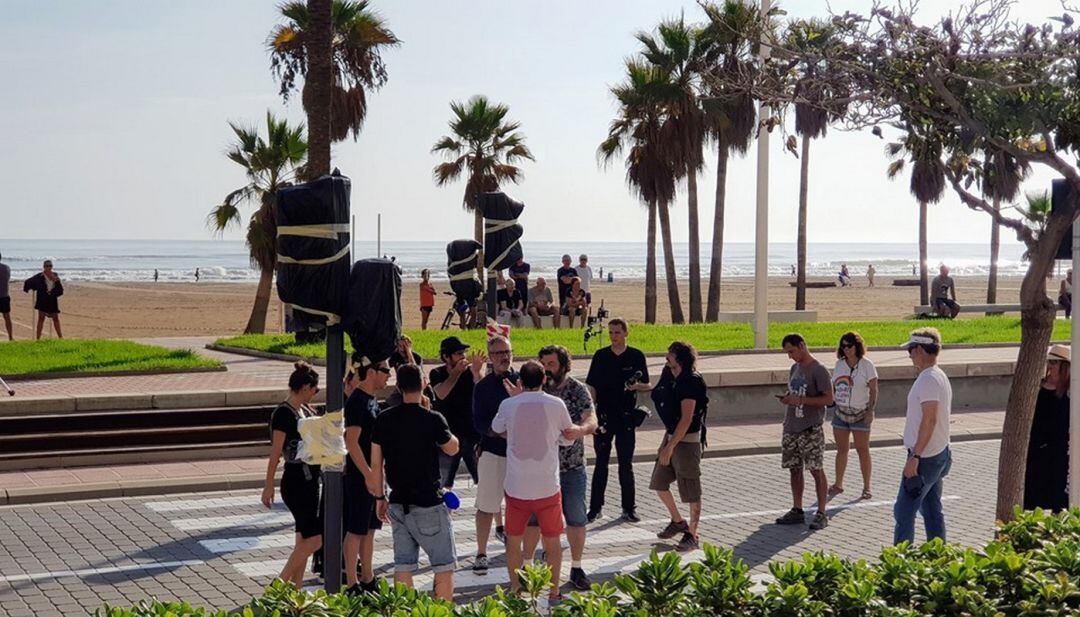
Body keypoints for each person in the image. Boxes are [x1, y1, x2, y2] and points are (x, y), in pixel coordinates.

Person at [492, 360, 586, 600]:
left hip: (516, 486)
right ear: (544, 379)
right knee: (552, 540)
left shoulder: (508, 404)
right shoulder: (556, 404)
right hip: (547, 486)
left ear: (520, 381)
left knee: (513, 539)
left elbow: (496, 426)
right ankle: (554, 590)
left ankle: (516, 590)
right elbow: (567, 435)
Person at [368, 364, 459, 600]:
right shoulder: (432, 419)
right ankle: (442, 611)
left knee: (403, 565)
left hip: (398, 501)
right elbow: (452, 448)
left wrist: (380, 497)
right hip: (429, 501)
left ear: (398, 387)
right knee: (444, 565)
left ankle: (404, 610)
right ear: (424, 384)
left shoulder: (384, 419)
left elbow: (376, 464)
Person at [521, 345, 598, 591]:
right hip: (540, 469)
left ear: (564, 365)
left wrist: (581, 429)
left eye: (551, 364)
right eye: (543, 364)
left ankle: (576, 567)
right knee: (533, 520)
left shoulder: (577, 389)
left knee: (576, 518)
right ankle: (527, 567)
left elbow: (591, 418)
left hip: (571, 466)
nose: (546, 370)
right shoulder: (534, 389)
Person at [262, 362, 322, 588]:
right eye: (315, 390)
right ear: (306, 387)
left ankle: (296, 589)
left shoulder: (305, 410)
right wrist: (268, 486)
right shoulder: (283, 414)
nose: (315, 395)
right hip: (296, 481)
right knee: (315, 539)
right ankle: (279, 585)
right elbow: (276, 453)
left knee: (303, 538)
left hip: (310, 481)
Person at [586, 318, 650, 522]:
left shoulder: (636, 356)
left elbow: (647, 384)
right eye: (611, 333)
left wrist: (636, 387)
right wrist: (592, 412)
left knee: (625, 464)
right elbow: (592, 386)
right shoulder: (601, 356)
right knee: (601, 463)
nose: (614, 337)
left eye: (617, 333)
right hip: (604, 416)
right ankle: (595, 508)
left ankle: (629, 508)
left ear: (625, 334)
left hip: (626, 417)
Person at [894, 328, 952, 545]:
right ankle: (938, 555)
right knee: (932, 510)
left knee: (903, 512)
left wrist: (915, 457)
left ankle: (900, 561)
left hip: (925, 457)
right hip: (938, 452)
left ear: (919, 349)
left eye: (910, 350)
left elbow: (929, 420)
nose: (909, 355)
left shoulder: (928, 379)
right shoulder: (938, 375)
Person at [649, 341, 708, 552]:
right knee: (659, 482)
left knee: (691, 489)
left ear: (680, 359)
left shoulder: (691, 381)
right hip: (672, 438)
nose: (666, 359)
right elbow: (670, 416)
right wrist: (664, 443)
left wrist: (670, 446)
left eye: (670, 356)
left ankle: (693, 533)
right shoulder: (669, 375)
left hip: (687, 442)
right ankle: (677, 521)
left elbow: (685, 420)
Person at [774, 333, 834, 530]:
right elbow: (795, 393)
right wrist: (788, 398)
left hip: (810, 428)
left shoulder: (819, 370)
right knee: (794, 468)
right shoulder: (794, 368)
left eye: (792, 351)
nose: (790, 356)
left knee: (816, 469)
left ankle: (822, 512)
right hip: (792, 426)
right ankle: (797, 509)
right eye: (787, 353)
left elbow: (828, 399)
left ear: (802, 346)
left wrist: (802, 401)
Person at [342, 355, 390, 594]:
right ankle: (351, 581)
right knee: (356, 529)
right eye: (385, 370)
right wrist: (369, 473)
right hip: (360, 475)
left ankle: (368, 576)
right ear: (371, 371)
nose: (388, 375)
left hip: (374, 475)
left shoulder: (372, 400)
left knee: (370, 529)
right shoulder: (357, 401)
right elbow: (351, 442)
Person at [471, 335, 516, 574]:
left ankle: (517, 547)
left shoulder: (521, 381)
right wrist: (500, 434)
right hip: (492, 452)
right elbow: (479, 423)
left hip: (519, 456)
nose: (504, 357)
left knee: (521, 504)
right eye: (498, 353)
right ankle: (481, 552)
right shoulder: (483, 387)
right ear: (490, 357)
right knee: (487, 505)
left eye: (507, 352)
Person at [430, 336, 485, 489]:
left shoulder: (469, 373)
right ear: (446, 357)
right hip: (448, 435)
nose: (463, 357)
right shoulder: (437, 373)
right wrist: (455, 373)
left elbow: (481, 390)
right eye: (458, 353)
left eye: (464, 353)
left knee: (481, 479)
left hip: (471, 434)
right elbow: (441, 393)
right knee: (444, 483)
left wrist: (477, 372)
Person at [828, 332, 878, 500]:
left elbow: (873, 389)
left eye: (850, 346)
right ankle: (838, 483)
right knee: (841, 449)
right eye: (843, 346)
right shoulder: (839, 364)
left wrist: (870, 411)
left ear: (857, 346)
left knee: (862, 450)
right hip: (841, 413)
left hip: (861, 413)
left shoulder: (867, 365)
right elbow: (834, 385)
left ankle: (866, 487)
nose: (847, 349)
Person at [1024, 345, 1071, 512]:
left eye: (1055, 362)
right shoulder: (1039, 387)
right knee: (1032, 495)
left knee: (1058, 498)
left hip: (1059, 453)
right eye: (1049, 362)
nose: (1050, 366)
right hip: (1037, 450)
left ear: (1065, 366)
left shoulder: (1070, 391)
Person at [23, 260, 63, 340]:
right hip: (42, 300)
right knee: (41, 319)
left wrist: (57, 281)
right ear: (44, 267)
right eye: (46, 266)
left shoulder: (55, 276)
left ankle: (60, 337)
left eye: (50, 266)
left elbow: (60, 290)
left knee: (55, 318)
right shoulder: (39, 276)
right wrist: (31, 288)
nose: (48, 267)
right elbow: (28, 282)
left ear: (52, 267)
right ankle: (38, 339)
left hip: (52, 300)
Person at [0, 252, 11, 341]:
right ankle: (10, 337)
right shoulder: (6, 268)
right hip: (4, 295)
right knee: (7, 317)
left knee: (6, 317)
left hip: (3, 295)